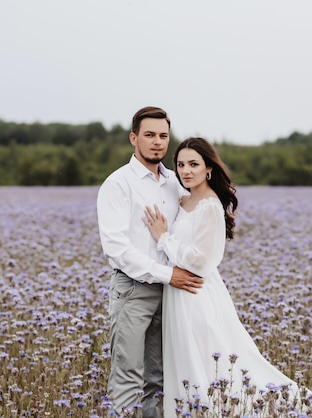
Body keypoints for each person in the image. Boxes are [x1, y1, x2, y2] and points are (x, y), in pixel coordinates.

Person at [143, 137, 312, 416]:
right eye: (180, 165)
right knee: (186, 359)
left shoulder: (210, 206)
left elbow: (201, 261)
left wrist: (163, 238)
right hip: (178, 292)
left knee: (206, 357)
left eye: (194, 164)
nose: (186, 171)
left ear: (209, 169)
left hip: (195, 292)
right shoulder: (185, 199)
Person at [96, 107, 203, 417]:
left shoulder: (174, 182)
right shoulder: (119, 184)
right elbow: (116, 248)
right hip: (133, 291)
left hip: (171, 294)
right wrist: (167, 274)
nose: (158, 142)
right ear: (134, 138)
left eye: (163, 136)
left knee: (158, 380)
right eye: (150, 135)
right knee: (128, 377)